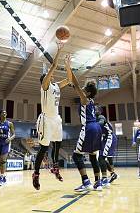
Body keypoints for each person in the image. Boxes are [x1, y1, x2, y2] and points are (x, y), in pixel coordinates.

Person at [32, 44, 70, 190]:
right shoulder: (45, 86)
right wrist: (59, 50)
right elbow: (54, 65)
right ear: (44, 80)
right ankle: (35, 174)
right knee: (43, 148)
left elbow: (69, 79)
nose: (51, 75)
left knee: (58, 143)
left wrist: (68, 65)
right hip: (46, 119)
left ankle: (55, 167)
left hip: (56, 119)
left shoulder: (56, 86)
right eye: (48, 75)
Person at [65, 55, 103, 192]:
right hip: (97, 128)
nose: (81, 90)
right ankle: (98, 182)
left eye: (83, 89)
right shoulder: (91, 101)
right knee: (93, 156)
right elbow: (74, 84)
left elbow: (74, 83)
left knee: (76, 155)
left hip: (88, 127)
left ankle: (86, 182)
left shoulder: (85, 99)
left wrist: (68, 67)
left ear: (86, 92)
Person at [95, 106, 118, 188]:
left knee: (101, 158)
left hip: (109, 137)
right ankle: (113, 174)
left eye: (96, 109)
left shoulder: (100, 117)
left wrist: (93, 125)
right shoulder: (94, 119)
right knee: (101, 158)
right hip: (104, 139)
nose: (95, 110)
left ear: (100, 111)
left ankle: (104, 178)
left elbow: (101, 122)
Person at [0, 110, 15, 186]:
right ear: (0, 114)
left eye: (5, 112)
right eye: (3, 112)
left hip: (6, 143)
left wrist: (10, 139)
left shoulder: (9, 123)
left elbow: (14, 134)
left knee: (3, 160)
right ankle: (3, 176)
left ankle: (1, 177)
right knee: (0, 161)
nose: (4, 113)